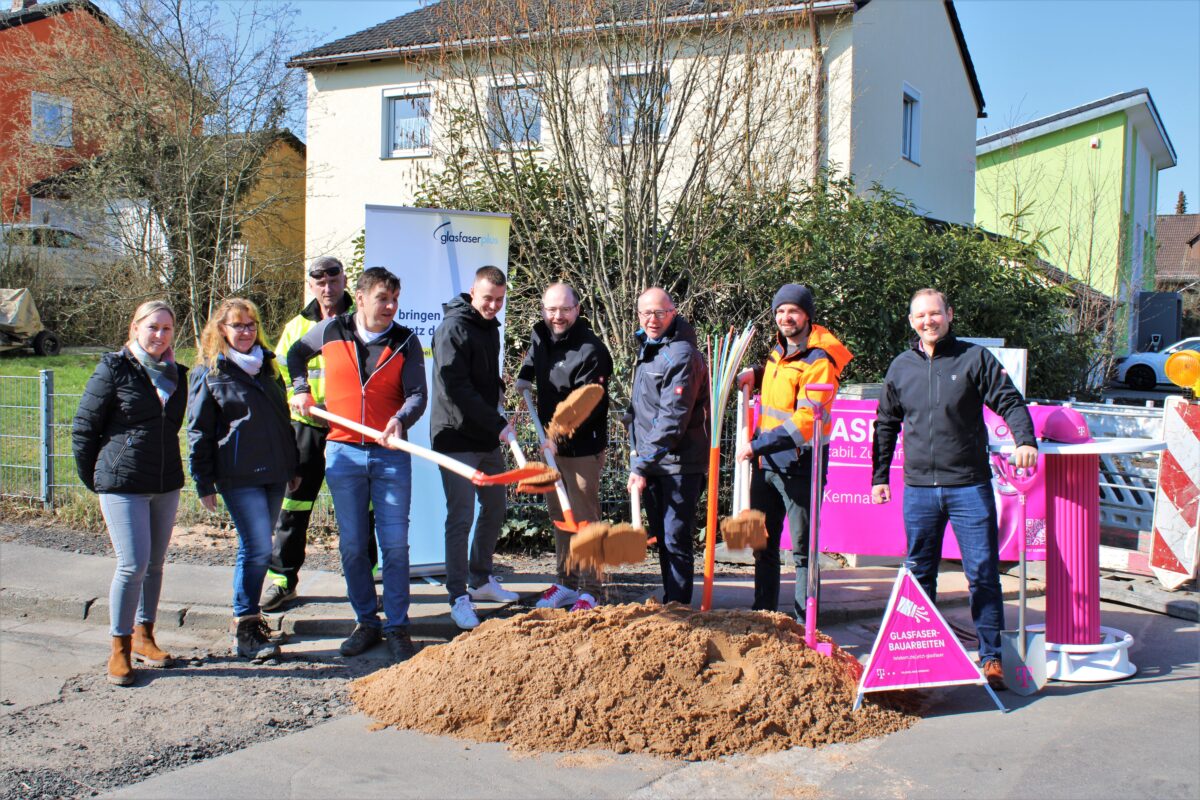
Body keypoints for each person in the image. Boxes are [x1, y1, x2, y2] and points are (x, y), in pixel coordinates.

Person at [871, 288, 1038, 690]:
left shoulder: (973, 358)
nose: (928, 321)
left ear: (949, 315)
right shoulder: (900, 367)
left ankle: (991, 657)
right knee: (919, 574)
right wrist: (879, 477)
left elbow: (1010, 401)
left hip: (969, 486)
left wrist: (1025, 440)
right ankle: (919, 654)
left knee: (982, 573)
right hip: (919, 491)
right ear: (911, 321)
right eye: (920, 316)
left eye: (935, 314)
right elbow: (885, 424)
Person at [289, 267, 427, 663]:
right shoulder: (332, 331)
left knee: (395, 546)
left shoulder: (405, 341)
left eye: (395, 300)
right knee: (352, 546)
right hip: (343, 452)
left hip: (390, 456)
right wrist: (300, 389)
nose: (391, 307)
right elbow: (295, 354)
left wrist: (401, 420)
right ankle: (366, 621)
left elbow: (417, 393)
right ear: (361, 297)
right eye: (383, 298)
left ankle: (398, 626)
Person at [72, 301, 188, 686]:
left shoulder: (177, 375)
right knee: (132, 564)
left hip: (164, 481)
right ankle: (119, 649)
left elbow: (169, 429)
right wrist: (97, 478)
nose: (159, 335)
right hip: (122, 483)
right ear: (135, 327)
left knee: (155, 565)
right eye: (152, 327)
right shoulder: (114, 368)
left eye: (167, 329)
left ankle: (145, 636)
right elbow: (85, 427)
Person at [261, 256, 376, 612]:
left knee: (363, 508)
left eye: (334, 280)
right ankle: (283, 580)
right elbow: (277, 379)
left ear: (345, 281)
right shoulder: (296, 327)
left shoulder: (363, 321)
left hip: (352, 430)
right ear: (311, 285)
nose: (327, 288)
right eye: (319, 282)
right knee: (293, 505)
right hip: (307, 430)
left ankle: (367, 578)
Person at [188, 298, 299, 662]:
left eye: (251, 325)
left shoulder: (267, 367)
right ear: (222, 330)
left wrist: (292, 466)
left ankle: (250, 620)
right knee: (257, 549)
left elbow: (283, 420)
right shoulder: (209, 372)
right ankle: (246, 626)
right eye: (238, 326)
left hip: (273, 473)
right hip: (238, 475)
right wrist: (203, 481)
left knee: (257, 548)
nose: (246, 332)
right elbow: (198, 431)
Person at [736, 284, 852, 617]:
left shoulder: (820, 361)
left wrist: (756, 445)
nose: (786, 317)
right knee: (763, 546)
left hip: (801, 467)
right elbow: (780, 385)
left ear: (807, 316)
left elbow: (804, 421)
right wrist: (756, 374)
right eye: (780, 311)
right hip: (767, 466)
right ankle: (764, 615)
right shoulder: (778, 352)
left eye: (793, 311)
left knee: (803, 551)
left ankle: (805, 627)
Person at [515, 283, 613, 612]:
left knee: (584, 518)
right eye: (551, 309)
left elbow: (583, 405)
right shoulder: (540, 334)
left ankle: (592, 589)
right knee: (559, 514)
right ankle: (567, 582)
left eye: (564, 309)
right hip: (551, 446)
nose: (557, 316)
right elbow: (533, 356)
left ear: (577, 309)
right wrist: (525, 376)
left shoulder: (592, 351)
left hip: (581, 447)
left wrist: (554, 437)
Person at [430, 265, 519, 630]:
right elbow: (456, 387)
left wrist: (499, 387)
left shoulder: (490, 327)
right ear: (472, 292)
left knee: (496, 506)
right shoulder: (453, 327)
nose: (493, 306)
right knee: (461, 515)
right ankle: (458, 597)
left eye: (499, 300)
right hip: (454, 437)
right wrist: (498, 423)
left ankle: (480, 579)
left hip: (484, 436)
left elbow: (481, 374)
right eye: (487, 298)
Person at [627, 287, 709, 605]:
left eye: (660, 313)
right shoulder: (649, 347)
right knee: (664, 536)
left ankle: (679, 608)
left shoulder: (682, 355)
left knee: (675, 538)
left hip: (679, 463)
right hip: (654, 459)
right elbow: (647, 405)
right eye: (646, 313)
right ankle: (671, 601)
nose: (652, 319)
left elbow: (672, 419)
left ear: (672, 313)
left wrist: (641, 463)